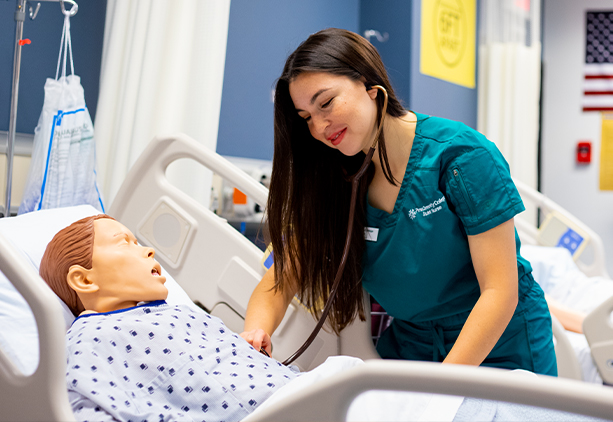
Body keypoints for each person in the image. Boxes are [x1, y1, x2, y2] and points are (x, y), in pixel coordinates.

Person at [240, 27, 558, 376]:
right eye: (306, 118)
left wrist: (439, 391)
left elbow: (499, 293)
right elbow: (282, 279)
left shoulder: (459, 157)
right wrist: (256, 332)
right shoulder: (336, 182)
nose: (319, 127)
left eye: (326, 102)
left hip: (498, 346)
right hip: (413, 349)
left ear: (371, 87)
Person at [39, 214, 299, 422]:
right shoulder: (92, 335)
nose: (149, 251)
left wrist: (247, 350)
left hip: (300, 390)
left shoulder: (179, 312)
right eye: (125, 243)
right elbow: (85, 408)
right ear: (84, 279)